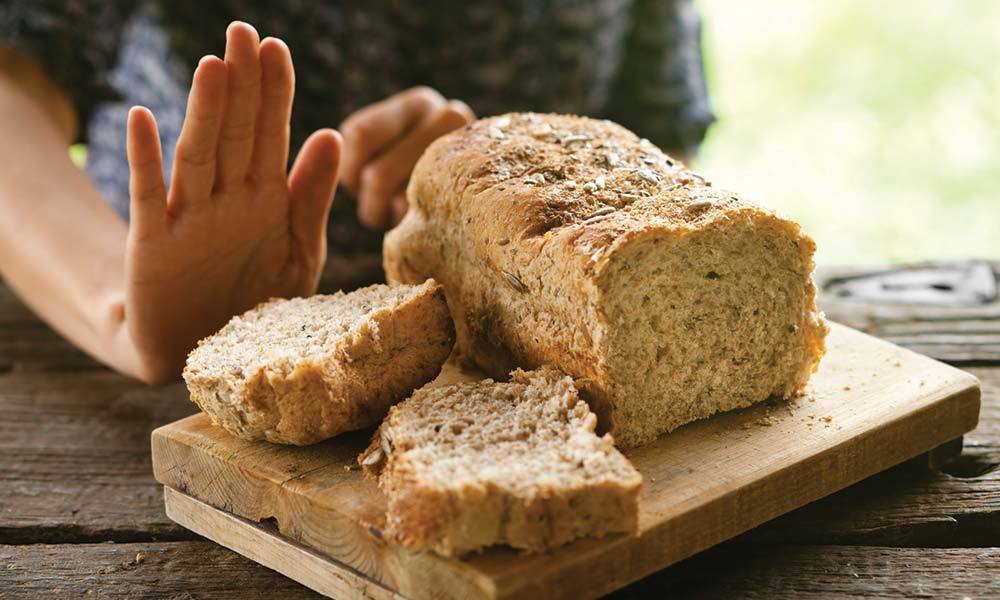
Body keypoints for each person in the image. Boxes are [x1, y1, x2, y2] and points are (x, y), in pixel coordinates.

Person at [0, 2, 713, 384]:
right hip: (122, 340)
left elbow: (654, 147)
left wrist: (485, 192)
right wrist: (117, 307)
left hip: (504, 364)